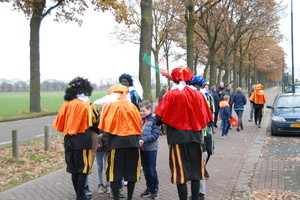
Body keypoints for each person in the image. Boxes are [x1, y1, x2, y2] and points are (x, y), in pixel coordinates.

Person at [155, 66, 213, 200]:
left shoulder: (170, 95)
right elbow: (208, 118)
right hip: (196, 138)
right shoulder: (199, 95)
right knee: (195, 173)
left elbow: (158, 118)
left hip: (177, 139)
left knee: (180, 173)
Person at [52, 77, 99, 200]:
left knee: (73, 169)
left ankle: (79, 195)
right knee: (82, 169)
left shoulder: (65, 105)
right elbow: (95, 123)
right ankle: (80, 196)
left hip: (68, 139)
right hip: (83, 139)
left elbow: (60, 124)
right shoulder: (88, 105)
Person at [96, 84, 142, 200]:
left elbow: (104, 126)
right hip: (132, 142)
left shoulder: (110, 106)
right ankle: (130, 198)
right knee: (131, 173)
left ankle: (116, 197)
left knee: (115, 173)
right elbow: (139, 123)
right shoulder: (132, 106)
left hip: (116, 143)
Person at [139, 100, 161, 199]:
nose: (141, 113)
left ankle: (155, 189)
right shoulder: (141, 119)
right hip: (142, 149)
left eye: (143, 111)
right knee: (146, 170)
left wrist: (144, 139)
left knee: (151, 169)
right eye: (140, 111)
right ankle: (149, 187)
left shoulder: (154, 120)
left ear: (149, 109)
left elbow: (155, 135)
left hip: (151, 148)